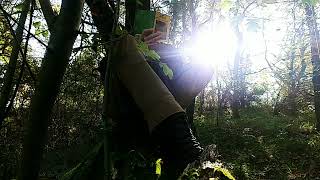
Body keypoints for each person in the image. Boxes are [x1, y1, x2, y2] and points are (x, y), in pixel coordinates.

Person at [111, 28, 213, 179]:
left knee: (205, 67)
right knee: (124, 42)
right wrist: (139, 43)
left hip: (163, 93)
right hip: (134, 98)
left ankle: (171, 138)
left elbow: (178, 71)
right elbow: (120, 48)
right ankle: (179, 142)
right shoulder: (126, 44)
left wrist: (163, 49)